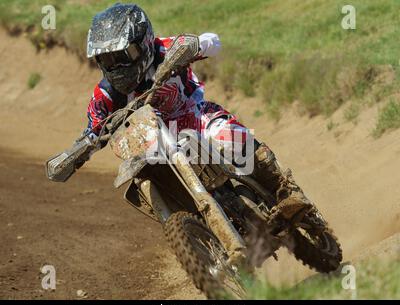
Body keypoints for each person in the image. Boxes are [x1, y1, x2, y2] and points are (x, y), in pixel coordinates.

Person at [80, 3, 313, 219]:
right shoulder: (105, 94)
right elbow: (94, 128)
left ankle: (287, 191)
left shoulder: (166, 50)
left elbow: (214, 43)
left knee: (231, 138)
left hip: (196, 118)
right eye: (107, 59)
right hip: (153, 145)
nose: (116, 65)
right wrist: (80, 149)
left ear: (143, 41)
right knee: (142, 178)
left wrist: (198, 45)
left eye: (122, 55)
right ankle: (196, 234)